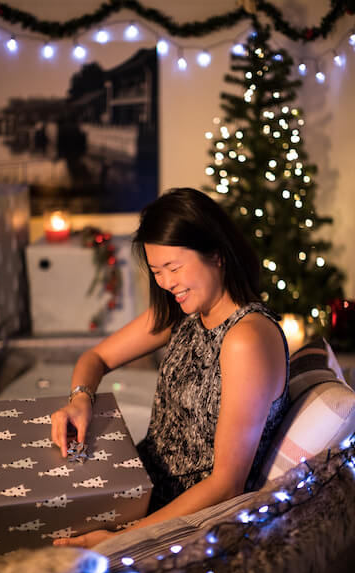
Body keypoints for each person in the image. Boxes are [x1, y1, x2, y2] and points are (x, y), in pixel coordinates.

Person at [51, 187, 289, 549]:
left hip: (186, 524)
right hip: (141, 488)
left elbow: (227, 484)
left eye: (174, 267)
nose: (165, 283)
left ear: (217, 254)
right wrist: (80, 399)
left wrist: (123, 538)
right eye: (157, 270)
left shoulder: (246, 338)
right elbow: (95, 358)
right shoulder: (186, 312)